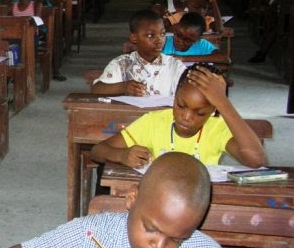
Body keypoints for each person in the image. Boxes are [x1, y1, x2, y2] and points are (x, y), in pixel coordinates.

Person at [0, 152, 240, 248]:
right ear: (132, 198)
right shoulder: (92, 234)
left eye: (177, 239)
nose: (159, 245)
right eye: (151, 228)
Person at [90, 63, 266, 169]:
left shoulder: (217, 128)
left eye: (200, 113)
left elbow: (256, 160)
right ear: (174, 97)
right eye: (181, 105)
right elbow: (97, 151)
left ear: (213, 110)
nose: (186, 117)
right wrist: (122, 156)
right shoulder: (153, 122)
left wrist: (223, 103)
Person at [91, 10, 185, 96]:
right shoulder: (122, 64)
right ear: (134, 38)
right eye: (150, 35)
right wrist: (124, 87)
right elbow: (96, 89)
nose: (159, 40)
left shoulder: (174, 66)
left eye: (162, 34)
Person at [162, 12, 227, 63]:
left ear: (198, 39)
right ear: (176, 28)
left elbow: (225, 58)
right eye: (178, 35)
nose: (180, 41)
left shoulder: (202, 45)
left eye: (187, 40)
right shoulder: (164, 42)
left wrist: (183, 58)